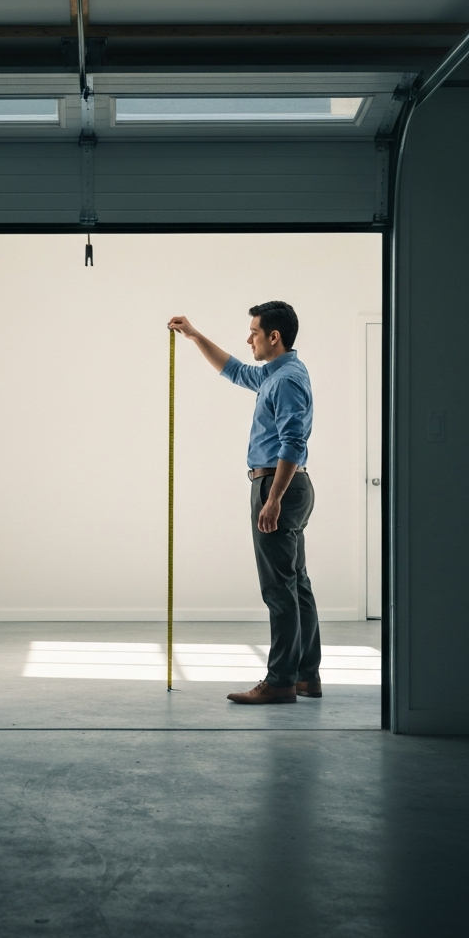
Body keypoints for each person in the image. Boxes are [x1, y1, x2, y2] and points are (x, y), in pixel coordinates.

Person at [168, 302, 321, 705]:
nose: (248, 337)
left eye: (254, 331)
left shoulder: (286, 379)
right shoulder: (276, 375)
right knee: (295, 583)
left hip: (278, 485)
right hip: (285, 485)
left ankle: (280, 681)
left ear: (274, 336)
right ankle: (306, 676)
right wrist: (196, 336)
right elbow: (235, 370)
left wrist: (272, 499)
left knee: (279, 589)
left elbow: (293, 442)